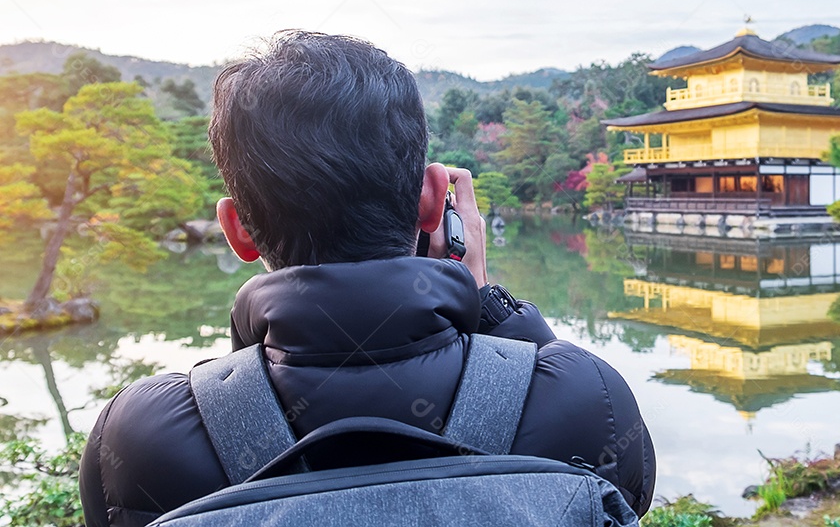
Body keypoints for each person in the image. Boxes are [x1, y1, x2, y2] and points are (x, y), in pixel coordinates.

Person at [78, 30, 655, 526]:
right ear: (434, 202)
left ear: (237, 229)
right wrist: (484, 304)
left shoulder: (142, 434)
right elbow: (623, 488)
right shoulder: (583, 397)